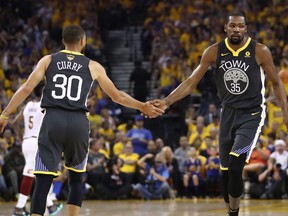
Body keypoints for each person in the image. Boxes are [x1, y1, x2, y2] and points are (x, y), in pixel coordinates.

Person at [0, 24, 163, 216]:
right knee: (76, 179)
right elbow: (117, 96)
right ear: (83, 41)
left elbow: (27, 89)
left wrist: (5, 114)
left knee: (43, 180)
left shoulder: (48, 60)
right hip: (78, 122)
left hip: (53, 120)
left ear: (63, 42)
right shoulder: (93, 66)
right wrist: (143, 106)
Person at [148, 13, 288, 216]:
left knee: (235, 163)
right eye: (232, 26)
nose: (236, 29)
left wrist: (285, 112)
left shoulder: (260, 51)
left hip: (252, 114)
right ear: (226, 28)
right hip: (227, 113)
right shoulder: (214, 52)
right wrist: (167, 101)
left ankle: (234, 212)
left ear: (246, 28)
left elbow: (276, 82)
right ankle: (231, 206)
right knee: (226, 174)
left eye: (240, 26)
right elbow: (190, 82)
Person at [12, 82, 63, 216]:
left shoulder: (28, 105)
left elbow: (14, 122)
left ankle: (50, 206)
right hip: (36, 143)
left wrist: (20, 136)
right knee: (30, 173)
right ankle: (19, 207)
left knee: (39, 173)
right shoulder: (46, 106)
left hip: (26, 140)